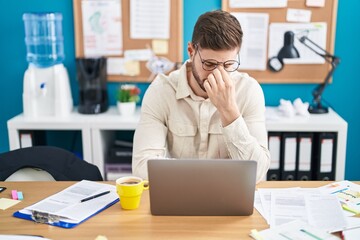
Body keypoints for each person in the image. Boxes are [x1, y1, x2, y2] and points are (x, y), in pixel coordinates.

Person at [132, 10, 270, 183]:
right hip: (179, 195)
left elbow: (257, 174)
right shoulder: (161, 91)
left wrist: (229, 111)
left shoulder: (249, 91)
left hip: (228, 198)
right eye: (210, 64)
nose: (218, 74)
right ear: (191, 51)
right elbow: (141, 168)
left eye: (228, 64)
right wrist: (206, 179)